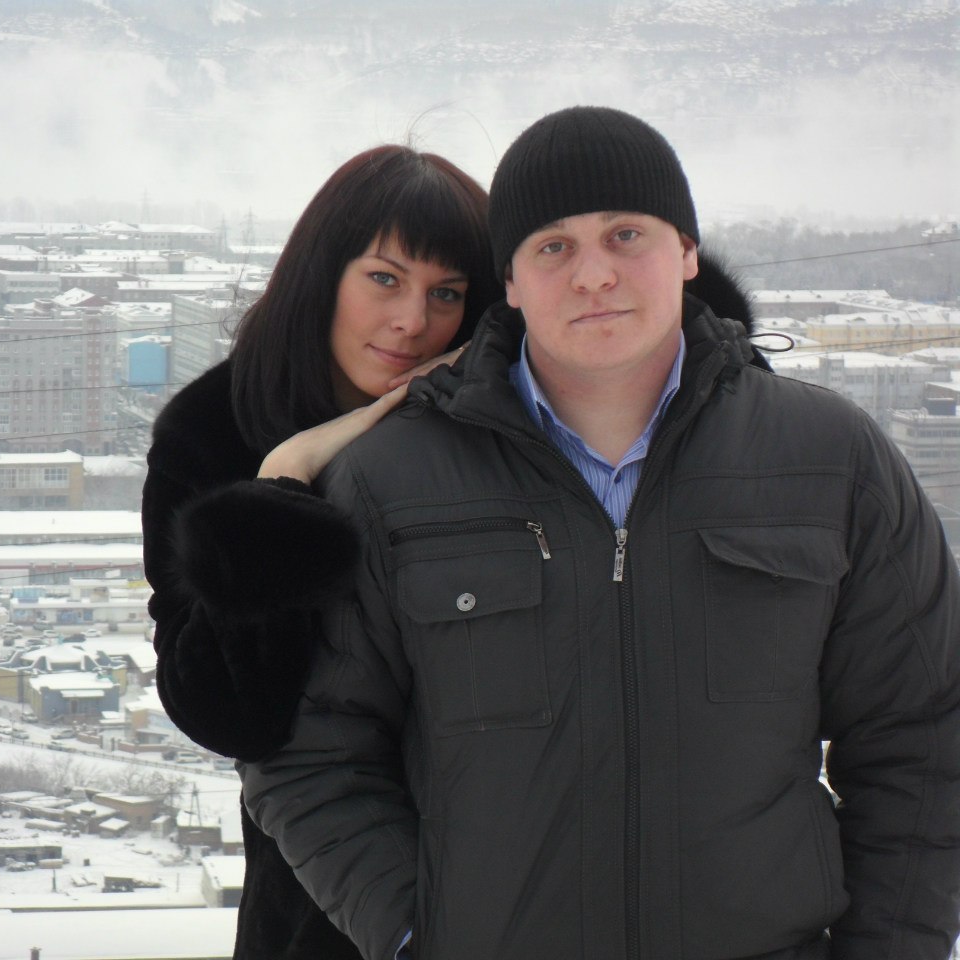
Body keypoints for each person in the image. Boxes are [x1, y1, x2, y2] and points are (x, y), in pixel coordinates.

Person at [243, 106, 960, 960]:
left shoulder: (829, 459)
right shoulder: (392, 481)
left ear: (686, 252)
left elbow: (924, 734)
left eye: (626, 235)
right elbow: (307, 748)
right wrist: (414, 934)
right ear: (510, 282)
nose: (593, 275)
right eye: (553, 247)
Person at [141, 144, 502, 960]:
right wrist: (283, 482)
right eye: (384, 278)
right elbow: (230, 714)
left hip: (522, 885)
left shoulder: (498, 428)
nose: (413, 320)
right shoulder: (214, 435)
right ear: (321, 274)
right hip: (319, 911)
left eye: (446, 293)